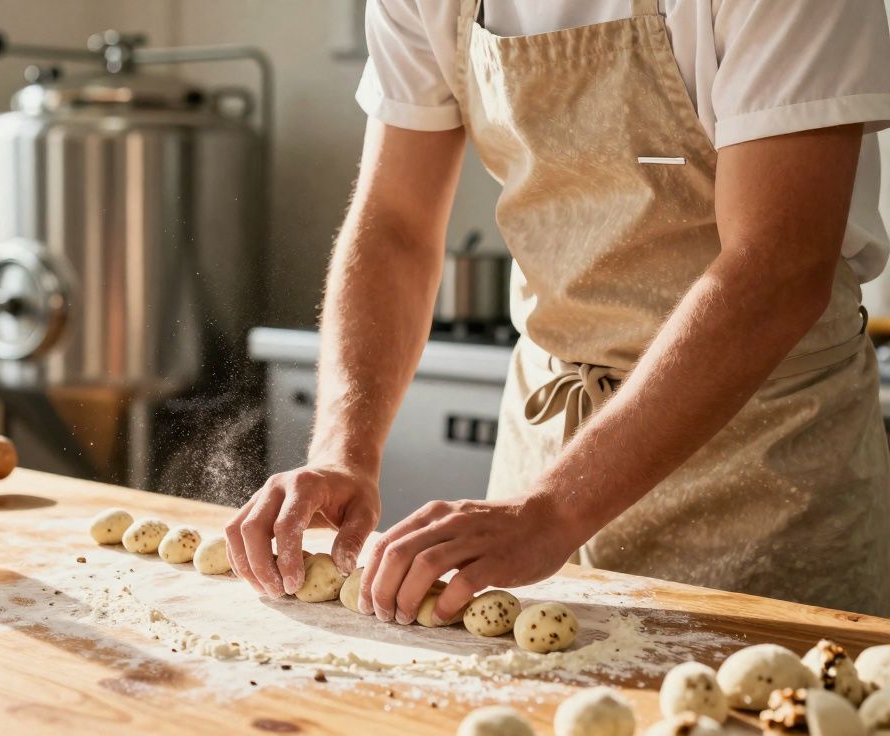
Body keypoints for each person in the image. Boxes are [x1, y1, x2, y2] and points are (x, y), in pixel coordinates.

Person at [227, 0, 890, 619]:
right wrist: (342, 452)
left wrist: (554, 509)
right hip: (544, 459)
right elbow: (396, 226)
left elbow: (779, 265)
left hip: (765, 462)